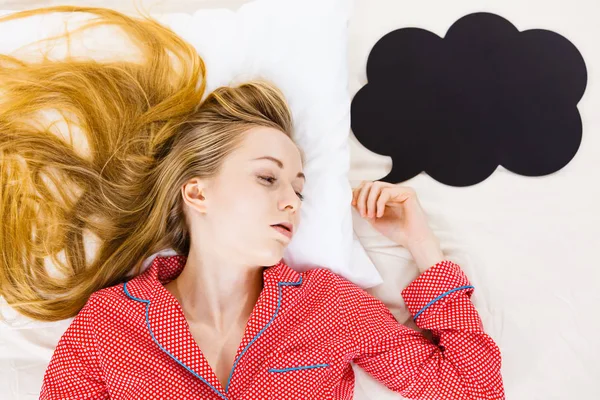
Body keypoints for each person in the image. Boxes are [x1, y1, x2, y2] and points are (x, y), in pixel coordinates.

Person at [0, 6, 505, 400]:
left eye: (300, 190)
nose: (292, 203)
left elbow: (474, 390)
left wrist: (421, 243)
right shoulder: (107, 326)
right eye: (268, 178)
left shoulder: (328, 306)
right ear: (197, 192)